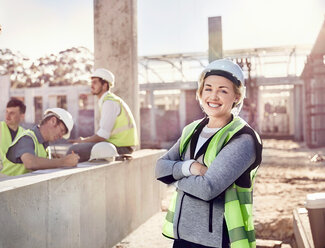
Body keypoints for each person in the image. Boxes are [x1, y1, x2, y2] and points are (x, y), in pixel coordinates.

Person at [155, 59, 263, 248]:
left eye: (223, 90)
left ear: (236, 97)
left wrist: (174, 177)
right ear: (200, 92)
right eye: (208, 88)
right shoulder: (192, 129)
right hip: (183, 235)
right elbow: (159, 168)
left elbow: (207, 189)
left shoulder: (242, 138)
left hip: (217, 239)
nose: (213, 96)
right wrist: (190, 167)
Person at [68, 68, 138, 162]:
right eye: (91, 82)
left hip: (121, 148)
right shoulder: (109, 100)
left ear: (104, 85)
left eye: (95, 83)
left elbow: (102, 135)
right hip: (119, 146)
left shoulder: (109, 102)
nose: (91, 85)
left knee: (74, 150)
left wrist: (83, 140)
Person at [1, 108, 80, 176]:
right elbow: (30, 163)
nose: (61, 136)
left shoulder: (44, 144)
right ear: (53, 121)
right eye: (62, 131)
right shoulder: (27, 138)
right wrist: (64, 162)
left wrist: (56, 157)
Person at [0, 98, 26, 166]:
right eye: (7, 112)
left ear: (22, 116)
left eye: (12, 113)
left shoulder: (25, 134)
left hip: (21, 176)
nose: (7, 116)